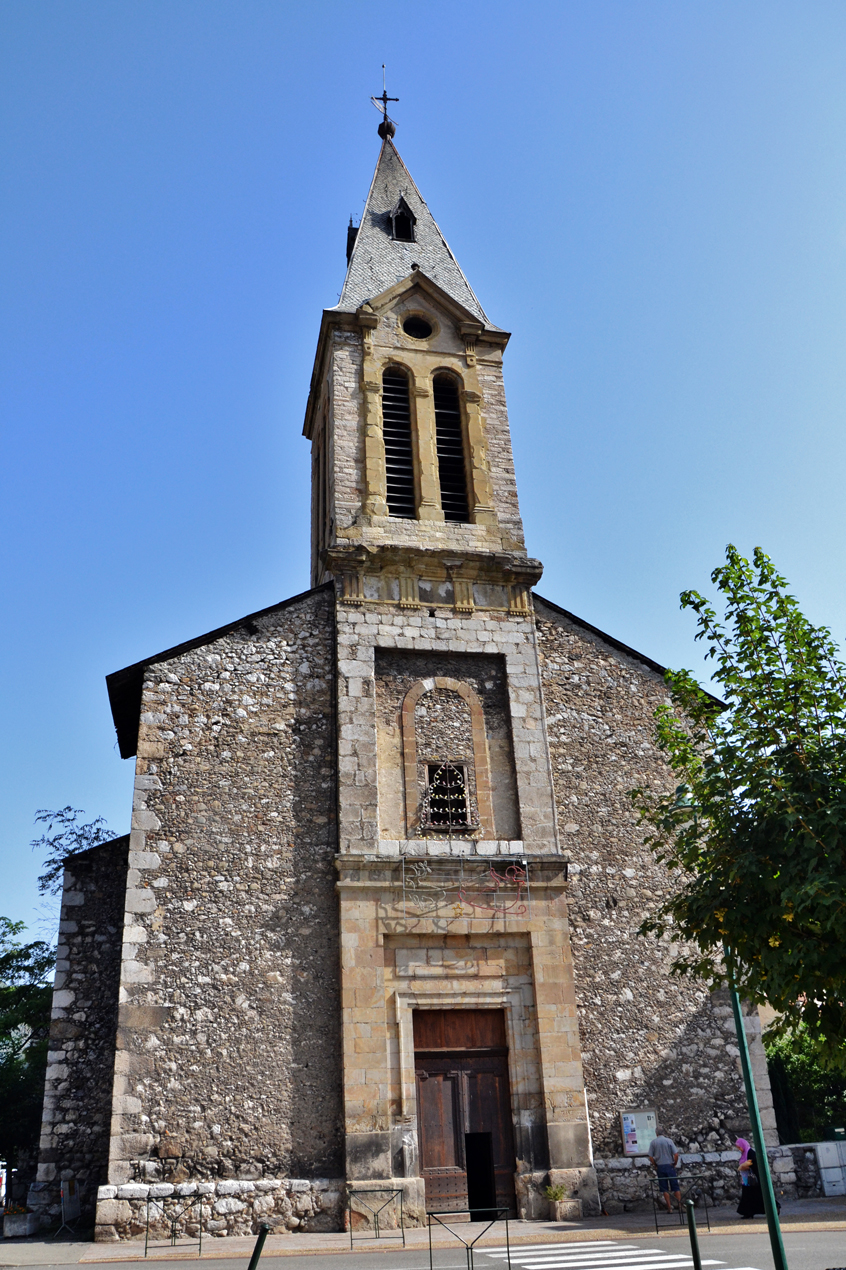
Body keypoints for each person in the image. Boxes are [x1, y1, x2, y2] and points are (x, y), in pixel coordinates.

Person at [736, 1136, 780, 1219]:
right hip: (747, 1180)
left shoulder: (750, 1153)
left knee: (761, 1195)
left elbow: (755, 1164)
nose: (739, 1149)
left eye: (739, 1147)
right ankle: (748, 1212)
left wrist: (746, 1166)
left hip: (755, 1179)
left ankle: (775, 1207)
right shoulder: (745, 1154)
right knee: (748, 1196)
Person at [648, 1128, 682, 1212]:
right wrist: (674, 1163)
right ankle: (680, 1205)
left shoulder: (653, 1142)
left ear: (656, 1134)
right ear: (664, 1133)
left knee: (664, 1188)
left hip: (660, 1166)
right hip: (669, 1165)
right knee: (675, 1187)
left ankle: (669, 1207)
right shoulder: (669, 1141)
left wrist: (655, 1164)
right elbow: (676, 1154)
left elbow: (650, 1157)